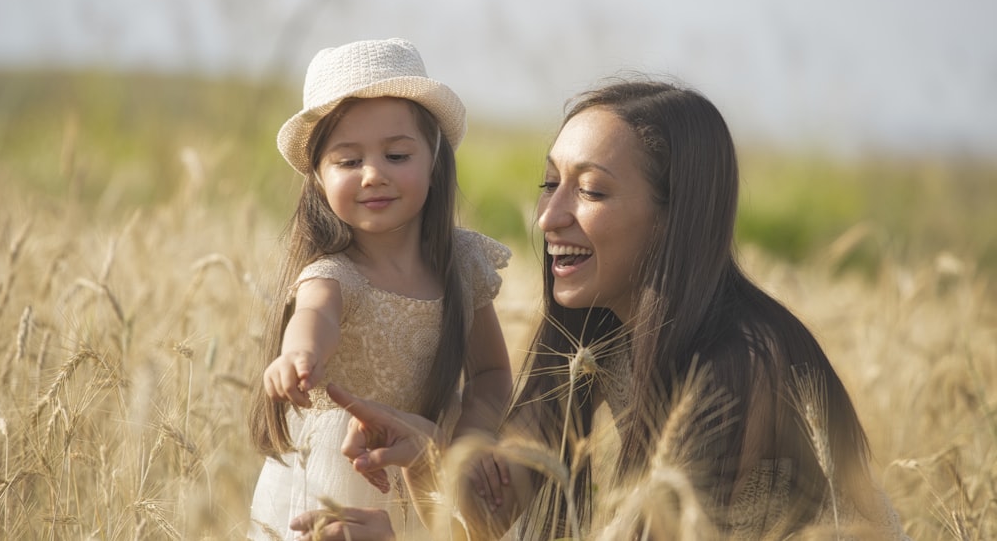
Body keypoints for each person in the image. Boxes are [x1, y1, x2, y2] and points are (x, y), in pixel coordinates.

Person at [291, 78, 909, 540]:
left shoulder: (745, 364)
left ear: (674, 216)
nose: (549, 217)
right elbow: (491, 509)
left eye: (590, 190)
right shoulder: (587, 338)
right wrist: (432, 457)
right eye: (550, 183)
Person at [246, 38, 513, 540]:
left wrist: (470, 444)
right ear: (318, 179)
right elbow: (314, 318)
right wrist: (298, 357)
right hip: (345, 469)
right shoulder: (335, 274)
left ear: (433, 161)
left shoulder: (461, 265)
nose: (373, 175)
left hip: (432, 465)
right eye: (348, 162)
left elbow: (494, 372)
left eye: (396, 154)